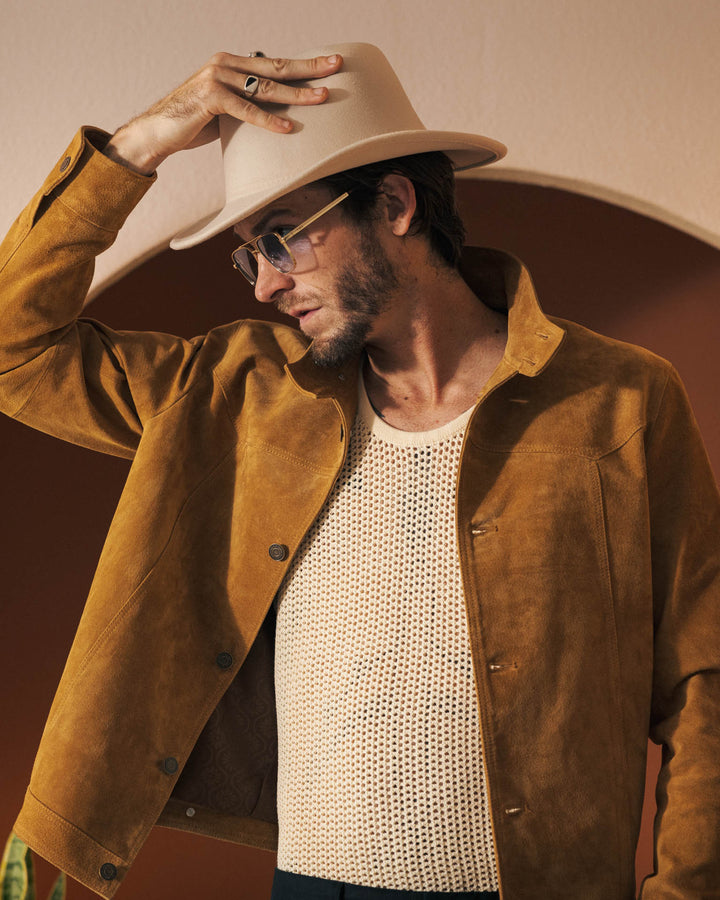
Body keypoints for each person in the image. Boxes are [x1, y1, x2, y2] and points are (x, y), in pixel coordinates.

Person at [0, 41, 718, 900]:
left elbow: (702, 678)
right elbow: (15, 350)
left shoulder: (620, 401)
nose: (263, 285)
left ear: (396, 205)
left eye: (280, 239)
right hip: (312, 886)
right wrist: (142, 143)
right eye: (248, 254)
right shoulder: (239, 395)